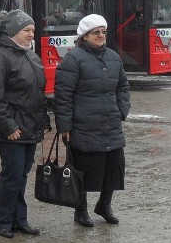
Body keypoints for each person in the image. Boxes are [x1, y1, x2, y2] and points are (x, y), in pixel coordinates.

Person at [53, 14, 130, 228]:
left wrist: (122, 109)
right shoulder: (73, 59)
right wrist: (65, 125)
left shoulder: (114, 57)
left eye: (103, 32)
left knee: (114, 168)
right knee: (85, 170)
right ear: (84, 36)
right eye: (96, 32)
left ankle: (104, 205)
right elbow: (63, 95)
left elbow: (123, 86)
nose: (101, 36)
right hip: (84, 125)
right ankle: (81, 210)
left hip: (111, 123)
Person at [0, 9, 50, 239]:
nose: (32, 34)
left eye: (33, 30)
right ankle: (3, 221)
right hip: (11, 129)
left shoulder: (30, 55)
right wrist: (8, 127)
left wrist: (44, 120)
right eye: (27, 30)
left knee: (22, 174)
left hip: (30, 126)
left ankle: (20, 219)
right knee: (11, 174)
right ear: (12, 32)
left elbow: (38, 92)